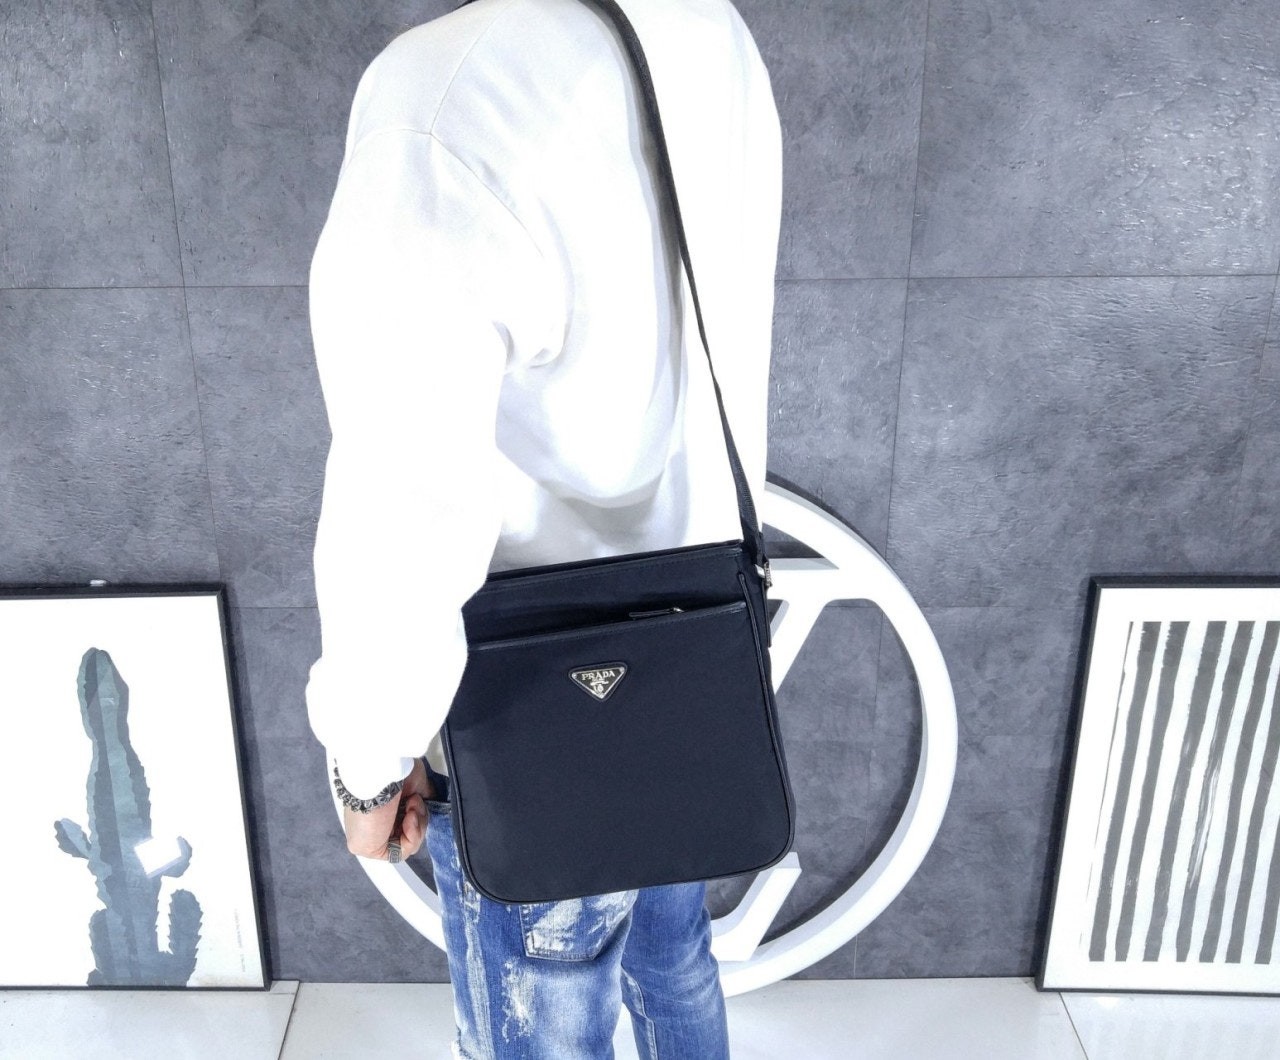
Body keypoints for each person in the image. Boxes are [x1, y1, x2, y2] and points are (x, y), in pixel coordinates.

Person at [305, 0, 781, 1055]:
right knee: (672, 958)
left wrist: (370, 761)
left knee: (543, 1019)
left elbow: (401, 490)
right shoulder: (699, 22)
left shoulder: (437, 99)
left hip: (532, 700)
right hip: (690, 658)